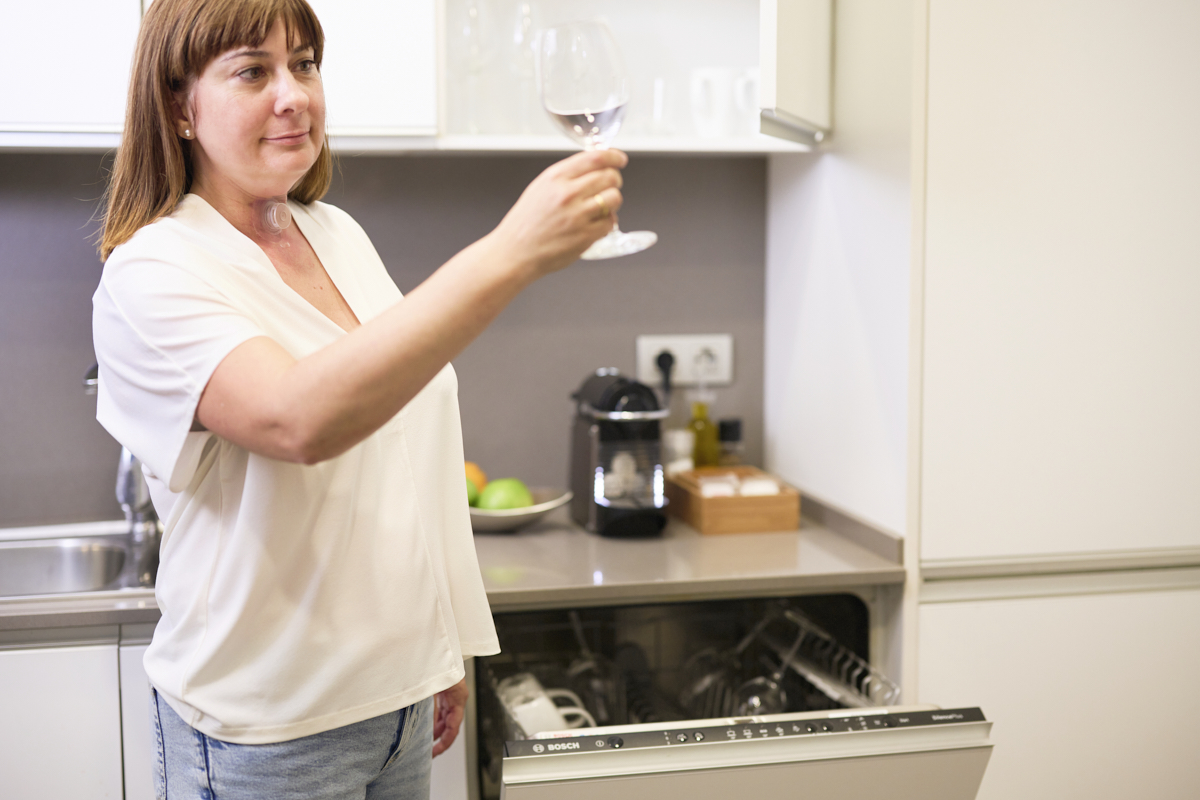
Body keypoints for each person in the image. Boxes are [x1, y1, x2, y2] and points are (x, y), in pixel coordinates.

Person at [92, 0, 626, 797]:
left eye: (304, 64)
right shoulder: (153, 272)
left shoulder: (335, 232)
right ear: (179, 106)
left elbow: (408, 446)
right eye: (252, 71)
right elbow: (298, 417)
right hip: (269, 734)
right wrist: (511, 254)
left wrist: (443, 646)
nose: (294, 95)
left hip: (399, 705)